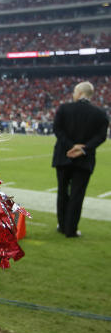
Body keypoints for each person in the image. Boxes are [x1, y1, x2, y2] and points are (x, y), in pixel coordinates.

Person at [52, 81, 108, 238]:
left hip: (64, 156)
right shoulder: (100, 113)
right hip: (85, 159)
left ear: (80, 92)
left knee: (62, 192)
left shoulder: (64, 108)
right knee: (77, 195)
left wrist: (71, 145)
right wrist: (83, 149)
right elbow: (101, 136)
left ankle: (62, 226)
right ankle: (71, 230)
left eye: (75, 91)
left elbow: (57, 129)